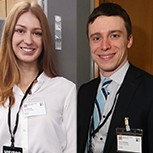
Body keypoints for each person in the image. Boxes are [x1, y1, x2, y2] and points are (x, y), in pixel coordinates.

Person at [0, 1, 76, 153]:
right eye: (20, 31)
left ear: (44, 40)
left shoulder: (65, 90)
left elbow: (71, 149)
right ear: (9, 35)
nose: (28, 40)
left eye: (37, 33)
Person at [77, 2, 153, 153]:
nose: (104, 46)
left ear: (129, 40)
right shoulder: (84, 92)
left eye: (114, 36)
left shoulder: (149, 90)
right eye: (96, 38)